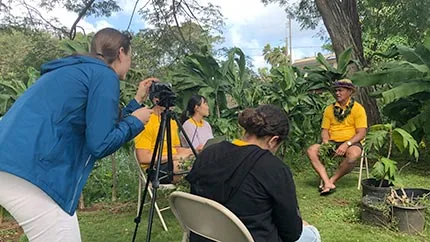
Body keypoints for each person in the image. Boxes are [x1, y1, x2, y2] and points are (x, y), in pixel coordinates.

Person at [0, 28, 156, 241]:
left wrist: (136, 102)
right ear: (121, 53)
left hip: (13, 162)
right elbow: (100, 144)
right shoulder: (104, 75)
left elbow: (102, 125)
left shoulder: (75, 70)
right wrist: (136, 122)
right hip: (30, 171)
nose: (130, 62)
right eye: (130, 56)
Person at [186, 104, 321, 242]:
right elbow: (291, 233)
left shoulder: (208, 153)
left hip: (206, 236)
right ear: (273, 141)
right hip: (253, 237)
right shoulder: (274, 168)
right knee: (312, 233)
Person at [307, 79, 367, 195]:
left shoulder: (358, 109)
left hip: (352, 142)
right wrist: (325, 142)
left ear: (349, 91)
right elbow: (325, 130)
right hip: (332, 142)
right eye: (336, 91)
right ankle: (326, 181)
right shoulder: (329, 109)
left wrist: (347, 144)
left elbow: (361, 133)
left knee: (353, 155)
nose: (337, 93)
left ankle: (332, 180)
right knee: (311, 150)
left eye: (340, 90)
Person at [134, 97, 193, 182]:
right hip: (155, 168)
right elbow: (143, 158)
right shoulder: (146, 121)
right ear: (156, 100)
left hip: (173, 162)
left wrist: (191, 151)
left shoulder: (172, 122)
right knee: (185, 166)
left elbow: (176, 148)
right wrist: (174, 157)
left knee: (201, 161)